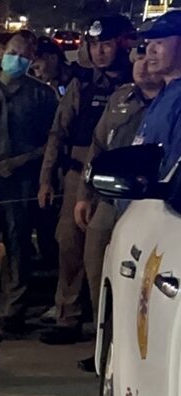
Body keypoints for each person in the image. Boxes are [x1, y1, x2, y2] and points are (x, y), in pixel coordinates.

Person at [38, 14, 135, 345]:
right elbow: (58, 132)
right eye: (94, 45)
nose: (100, 52)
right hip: (77, 175)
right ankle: (67, 317)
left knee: (106, 257)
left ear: (122, 44)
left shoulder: (137, 84)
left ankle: (105, 330)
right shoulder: (81, 84)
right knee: (69, 246)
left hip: (117, 184)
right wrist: (46, 178)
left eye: (106, 44)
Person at [73, 39, 165, 372]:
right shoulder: (120, 98)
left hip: (148, 207)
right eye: (138, 57)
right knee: (97, 269)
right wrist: (85, 194)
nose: (143, 64)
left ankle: (132, 353)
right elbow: (98, 147)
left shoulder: (169, 104)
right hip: (110, 201)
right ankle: (105, 344)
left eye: (149, 58)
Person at [0, 30, 59, 341]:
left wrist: (21, 161)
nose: (16, 59)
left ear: (32, 59)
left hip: (21, 181)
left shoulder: (42, 95)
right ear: (1, 53)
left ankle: (14, 312)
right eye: (12, 52)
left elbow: (52, 141)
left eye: (24, 55)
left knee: (18, 246)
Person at [133, 10, 181, 179]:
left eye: (159, 42)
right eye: (148, 43)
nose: (150, 50)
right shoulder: (166, 93)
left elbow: (173, 175)